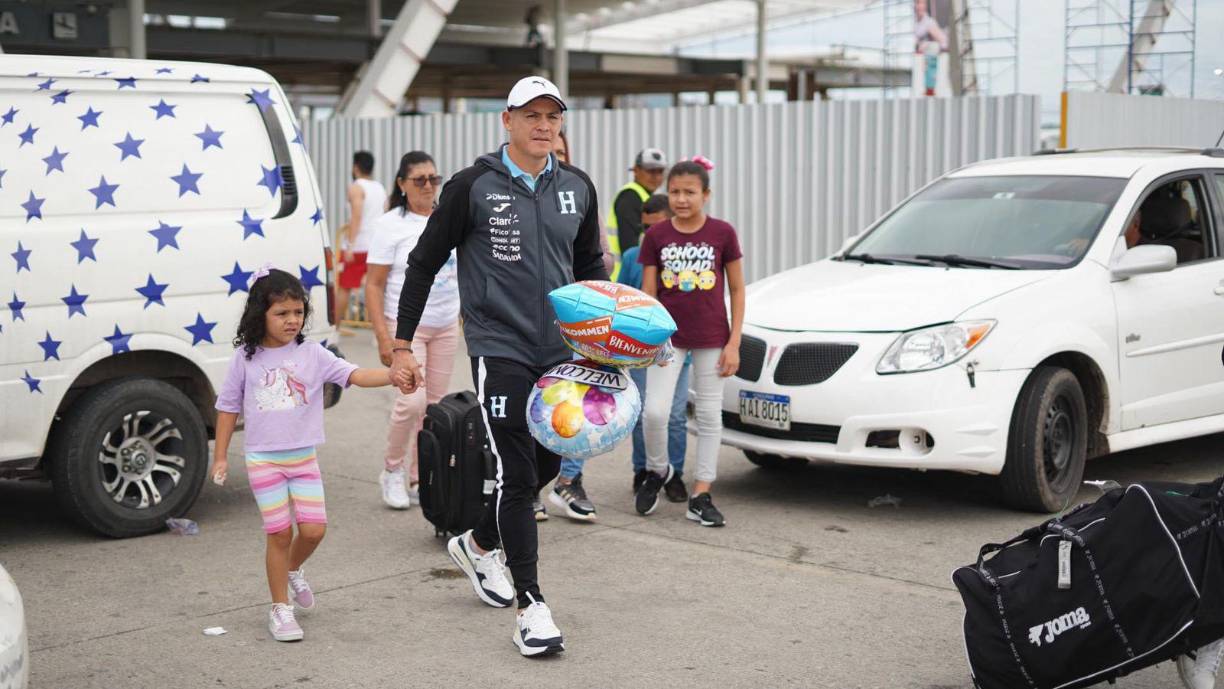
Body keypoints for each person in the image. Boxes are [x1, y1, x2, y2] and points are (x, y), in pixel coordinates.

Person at [390, 75, 607, 657]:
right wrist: (401, 343)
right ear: (506, 120)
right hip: (500, 348)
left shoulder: (578, 189)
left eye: (552, 116)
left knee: (550, 459)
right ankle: (532, 607)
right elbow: (423, 263)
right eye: (530, 114)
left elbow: (591, 271)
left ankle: (480, 541)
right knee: (516, 471)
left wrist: (610, 341)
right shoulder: (471, 186)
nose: (542, 125)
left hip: (562, 354)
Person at [212, 267, 400, 642]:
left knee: (313, 531)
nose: (291, 320)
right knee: (279, 533)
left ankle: (292, 570)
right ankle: (280, 608)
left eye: (297, 312)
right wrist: (220, 457)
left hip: (303, 459)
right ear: (260, 315)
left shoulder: (313, 353)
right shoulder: (245, 358)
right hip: (263, 458)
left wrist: (394, 375)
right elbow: (227, 408)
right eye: (281, 313)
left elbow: (356, 375)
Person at [635, 157, 745, 527]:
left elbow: (737, 288)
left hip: (713, 337)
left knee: (710, 416)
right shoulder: (657, 236)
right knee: (654, 411)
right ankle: (657, 470)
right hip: (667, 339)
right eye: (675, 192)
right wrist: (646, 339)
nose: (682, 199)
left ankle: (701, 492)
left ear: (706, 194)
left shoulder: (723, 233)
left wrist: (734, 342)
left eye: (690, 192)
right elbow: (649, 292)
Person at [365, 151, 459, 509]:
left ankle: (423, 477)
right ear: (402, 185)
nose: (427, 186)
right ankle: (392, 470)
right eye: (418, 179)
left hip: (446, 323)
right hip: (407, 328)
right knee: (411, 401)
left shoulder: (446, 218)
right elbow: (373, 285)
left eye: (433, 179)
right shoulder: (391, 224)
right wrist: (383, 338)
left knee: (434, 406)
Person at [535, 128, 615, 523]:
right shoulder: (521, 199)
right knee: (536, 403)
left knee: (577, 403)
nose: (555, 155)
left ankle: (569, 481)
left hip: (578, 322)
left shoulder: (580, 196)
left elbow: (602, 257)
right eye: (551, 147)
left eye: (562, 150)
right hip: (530, 325)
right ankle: (530, 487)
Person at [622, 194, 691, 501]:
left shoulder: (683, 258)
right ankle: (644, 470)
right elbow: (622, 297)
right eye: (646, 228)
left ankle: (674, 472)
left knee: (674, 415)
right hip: (641, 351)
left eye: (657, 227)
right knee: (642, 413)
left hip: (678, 348)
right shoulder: (632, 257)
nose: (651, 235)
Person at [335, 151, 388, 323]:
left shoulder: (356, 187)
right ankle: (379, 332)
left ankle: (334, 331)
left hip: (358, 247)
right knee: (377, 289)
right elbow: (386, 213)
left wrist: (350, 244)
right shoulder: (380, 188)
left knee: (345, 288)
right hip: (377, 246)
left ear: (355, 167)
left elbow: (356, 215)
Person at [606, 147, 668, 280]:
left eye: (660, 171)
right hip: (626, 277)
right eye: (650, 171)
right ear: (636, 170)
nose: (656, 176)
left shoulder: (646, 196)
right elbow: (630, 245)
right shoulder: (630, 197)